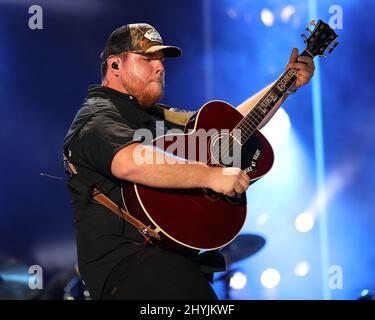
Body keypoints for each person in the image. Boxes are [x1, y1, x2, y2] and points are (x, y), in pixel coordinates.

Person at [63, 23, 314, 300]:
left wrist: (283, 85)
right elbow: (128, 161)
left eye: (161, 60)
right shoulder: (97, 116)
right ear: (115, 66)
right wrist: (211, 176)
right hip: (128, 266)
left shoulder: (158, 116)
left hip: (167, 261)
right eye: (147, 59)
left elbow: (231, 131)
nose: (159, 67)